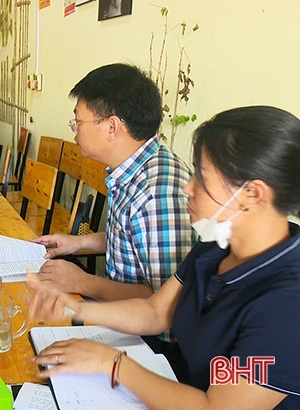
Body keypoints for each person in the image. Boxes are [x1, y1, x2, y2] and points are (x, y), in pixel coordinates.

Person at [28, 105, 300, 408]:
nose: (188, 187)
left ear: (253, 194)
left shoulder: (288, 303)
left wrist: (112, 363)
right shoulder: (219, 244)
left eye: (202, 177)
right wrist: (76, 308)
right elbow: (155, 311)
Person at [32, 63, 193, 373]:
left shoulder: (157, 193)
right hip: (122, 320)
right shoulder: (131, 169)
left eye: (78, 121)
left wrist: (83, 282)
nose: (74, 129)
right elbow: (132, 236)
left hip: (154, 346)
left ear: (112, 127)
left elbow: (164, 303)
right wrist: (78, 243)